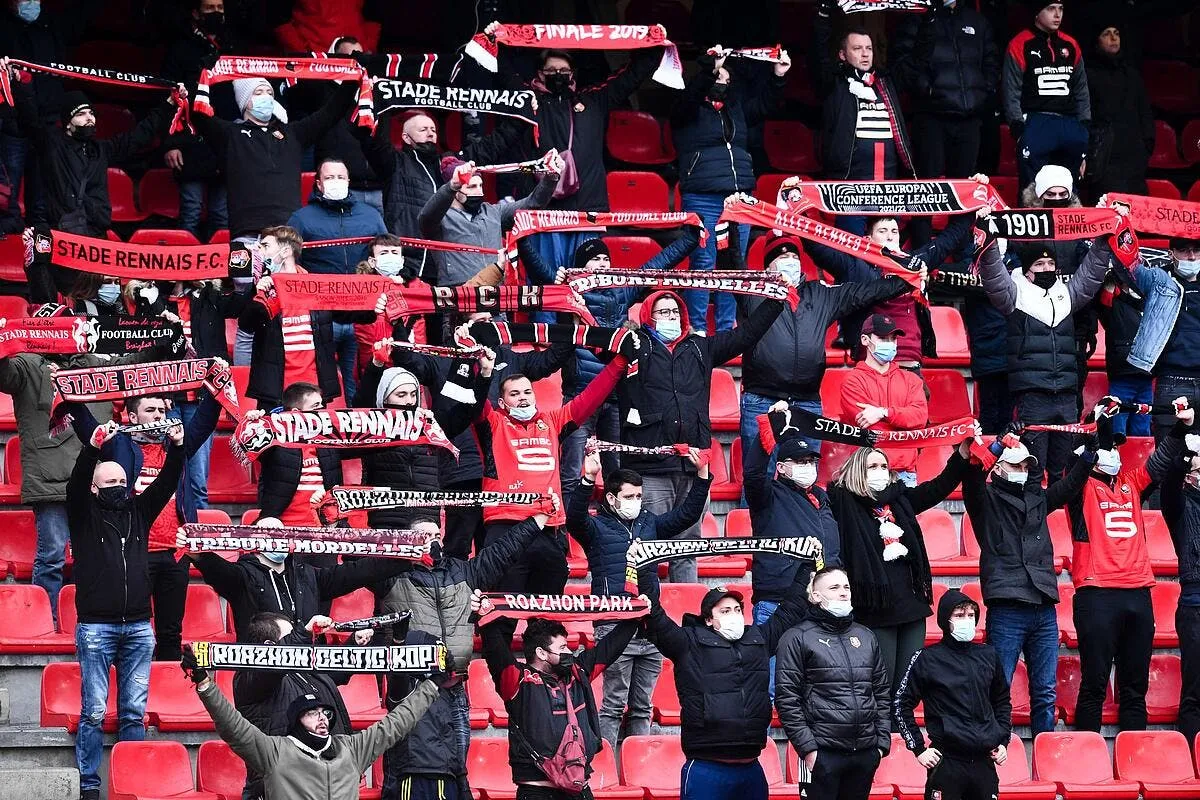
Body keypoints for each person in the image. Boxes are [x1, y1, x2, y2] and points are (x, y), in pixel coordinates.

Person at [379, 507, 559, 779]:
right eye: (425, 536)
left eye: (437, 534)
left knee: (457, 771)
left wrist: (538, 521)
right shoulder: (390, 576)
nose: (434, 540)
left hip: (455, 689)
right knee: (408, 770)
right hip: (412, 690)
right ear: (407, 541)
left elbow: (503, 551)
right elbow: (354, 564)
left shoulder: (463, 571)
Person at [620, 288, 785, 583]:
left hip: (693, 465)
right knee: (645, 548)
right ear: (648, 316)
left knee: (687, 546)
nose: (671, 317)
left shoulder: (700, 346)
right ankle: (648, 616)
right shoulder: (631, 345)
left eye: (675, 312)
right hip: (650, 469)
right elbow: (590, 339)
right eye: (663, 312)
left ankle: (685, 614)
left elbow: (745, 335)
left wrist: (776, 301)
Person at [532, 225, 703, 497]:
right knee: (570, 472)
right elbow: (536, 268)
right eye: (595, 259)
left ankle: (616, 528)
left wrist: (692, 238)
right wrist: (520, 235)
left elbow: (658, 264)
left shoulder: (623, 290)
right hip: (581, 397)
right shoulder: (567, 292)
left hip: (616, 396)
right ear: (580, 268)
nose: (602, 264)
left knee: (619, 474)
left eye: (605, 259)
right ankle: (562, 532)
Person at [486, 20, 666, 271]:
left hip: (587, 211)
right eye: (551, 70)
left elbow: (631, 77)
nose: (558, 75)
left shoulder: (594, 100)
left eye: (564, 70)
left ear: (573, 74)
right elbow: (501, 70)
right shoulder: (526, 99)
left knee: (589, 289)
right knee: (546, 292)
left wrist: (653, 43)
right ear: (539, 74)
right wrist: (494, 40)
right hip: (542, 213)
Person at [69, 418, 185, 800]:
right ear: (95, 487)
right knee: (94, 712)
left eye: (123, 482)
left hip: (138, 626)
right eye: (110, 483)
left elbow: (168, 482)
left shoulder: (139, 511)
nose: (119, 488)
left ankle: (132, 780)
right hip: (96, 628)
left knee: (133, 712)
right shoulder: (83, 515)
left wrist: (177, 447)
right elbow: (74, 486)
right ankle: (89, 785)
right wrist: (93, 448)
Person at [386, 325, 573, 559]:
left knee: (495, 555)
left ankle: (486, 596)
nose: (488, 326)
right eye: (479, 321)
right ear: (462, 324)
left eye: (491, 319)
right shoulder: (444, 357)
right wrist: (402, 322)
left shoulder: (509, 359)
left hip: (502, 480)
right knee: (457, 547)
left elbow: (552, 358)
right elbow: (407, 360)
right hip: (460, 469)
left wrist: (569, 319)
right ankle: (455, 595)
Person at [65, 388, 223, 661]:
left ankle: (168, 695)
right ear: (132, 415)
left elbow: (206, 419)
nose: (158, 416)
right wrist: (66, 390)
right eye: (150, 411)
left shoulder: (177, 445)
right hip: (135, 554)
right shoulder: (120, 446)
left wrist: (217, 384)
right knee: (129, 632)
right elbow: (87, 426)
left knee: (170, 633)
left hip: (175, 553)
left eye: (162, 411)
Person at [566, 448, 710, 747]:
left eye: (639, 496)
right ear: (611, 498)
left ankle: (639, 760)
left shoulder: (649, 523)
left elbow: (686, 515)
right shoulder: (596, 527)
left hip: (651, 628)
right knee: (613, 705)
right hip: (615, 624)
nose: (636, 502)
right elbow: (574, 518)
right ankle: (605, 768)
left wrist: (702, 476)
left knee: (642, 707)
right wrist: (588, 479)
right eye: (629, 496)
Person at [733, 221, 910, 460]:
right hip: (761, 400)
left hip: (807, 403)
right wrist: (733, 223)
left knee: (805, 477)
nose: (790, 260)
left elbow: (867, 292)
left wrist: (909, 276)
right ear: (768, 266)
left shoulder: (821, 293)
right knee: (759, 481)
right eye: (781, 256)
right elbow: (730, 264)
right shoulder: (753, 290)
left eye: (795, 255)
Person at [1068, 400, 1192, 732]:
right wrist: (1098, 424)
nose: (1115, 453)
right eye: (1108, 448)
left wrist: (1181, 428)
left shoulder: (1132, 483)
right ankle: (1087, 763)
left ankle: (1134, 761)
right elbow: (1074, 463)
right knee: (1094, 685)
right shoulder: (1080, 487)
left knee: (1135, 689)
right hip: (1097, 593)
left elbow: (1161, 462)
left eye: (1117, 448)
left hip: (1138, 593)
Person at [183, 645, 444, 800]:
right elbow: (233, 726)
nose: (322, 718)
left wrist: (432, 685)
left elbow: (396, 724)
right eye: (312, 713)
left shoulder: (350, 748)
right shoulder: (275, 752)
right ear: (296, 721)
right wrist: (205, 684)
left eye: (325, 712)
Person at [961, 431, 1092, 737]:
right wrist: (995, 447)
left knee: (1045, 691)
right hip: (1007, 606)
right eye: (1016, 466)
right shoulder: (986, 500)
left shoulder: (1037, 500)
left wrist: (1089, 455)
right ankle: (996, 751)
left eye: (1025, 467)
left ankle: (1043, 759)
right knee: (999, 686)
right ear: (998, 468)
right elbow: (972, 478)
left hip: (1043, 605)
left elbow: (1070, 485)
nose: (1022, 472)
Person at [642, 577, 812, 800]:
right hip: (706, 767)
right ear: (709, 619)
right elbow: (656, 619)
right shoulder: (687, 643)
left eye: (737, 609)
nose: (733, 615)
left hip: (751, 765)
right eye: (725, 611)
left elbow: (790, 610)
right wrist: (643, 571)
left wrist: (807, 565)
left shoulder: (759, 638)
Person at [977, 209, 1112, 482]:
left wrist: (1104, 239)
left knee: (1062, 469)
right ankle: (1035, 523)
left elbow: (1091, 275)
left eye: (1050, 266)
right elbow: (992, 273)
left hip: (1066, 396)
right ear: (1027, 271)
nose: (1046, 270)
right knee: (1033, 468)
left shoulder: (1067, 293)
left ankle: (1059, 523)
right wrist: (988, 235)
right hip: (1032, 397)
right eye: (1039, 265)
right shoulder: (1013, 294)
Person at [476, 354, 628, 593]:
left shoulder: (553, 421)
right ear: (502, 402)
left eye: (527, 392)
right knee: (501, 616)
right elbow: (475, 404)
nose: (522, 398)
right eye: (514, 394)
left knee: (547, 618)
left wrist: (619, 363)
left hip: (549, 528)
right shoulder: (493, 423)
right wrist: (483, 374)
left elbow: (590, 398)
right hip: (505, 527)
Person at [828, 440, 971, 692]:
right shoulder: (841, 501)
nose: (880, 471)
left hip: (912, 607)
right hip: (875, 609)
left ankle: (900, 732)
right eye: (872, 466)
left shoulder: (900, 498)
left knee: (906, 687)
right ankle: (883, 732)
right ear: (857, 470)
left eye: (884, 465)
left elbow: (938, 487)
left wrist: (960, 456)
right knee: (881, 685)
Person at [670, 44, 790, 333]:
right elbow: (686, 101)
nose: (722, 82)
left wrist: (778, 76)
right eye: (717, 78)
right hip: (703, 196)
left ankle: (728, 329)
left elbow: (766, 104)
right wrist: (709, 71)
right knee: (704, 263)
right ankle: (696, 329)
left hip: (739, 199)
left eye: (725, 78)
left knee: (734, 267)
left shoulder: (736, 109)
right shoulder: (687, 108)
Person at [3, 57, 179, 242]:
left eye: (91, 113)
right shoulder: (52, 144)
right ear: (68, 124)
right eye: (81, 114)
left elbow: (140, 135)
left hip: (97, 237)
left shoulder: (101, 149)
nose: (89, 118)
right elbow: (29, 119)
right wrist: (21, 84)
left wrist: (168, 104)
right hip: (63, 236)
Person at [481, 602, 643, 800]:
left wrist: (637, 615)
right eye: (563, 647)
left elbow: (611, 647)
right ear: (541, 653)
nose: (569, 653)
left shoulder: (578, 672)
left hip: (579, 789)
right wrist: (485, 616)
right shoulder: (517, 679)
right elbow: (495, 648)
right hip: (537, 792)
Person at [191, 74, 358, 245]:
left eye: (269, 93)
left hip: (288, 234)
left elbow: (331, 112)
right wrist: (201, 73)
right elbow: (197, 113)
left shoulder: (293, 133)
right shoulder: (230, 135)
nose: (265, 97)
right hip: (247, 235)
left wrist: (353, 78)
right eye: (258, 93)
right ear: (245, 101)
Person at [360, 111, 519, 282]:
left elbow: (490, 147)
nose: (430, 133)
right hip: (408, 263)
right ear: (406, 137)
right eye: (423, 130)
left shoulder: (449, 166)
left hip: (445, 265)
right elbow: (373, 142)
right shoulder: (394, 162)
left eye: (433, 130)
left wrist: (522, 117)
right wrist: (381, 106)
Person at [775, 567, 891, 800]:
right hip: (822, 753)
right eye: (834, 587)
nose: (843, 593)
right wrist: (809, 750)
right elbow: (787, 699)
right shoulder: (797, 637)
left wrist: (880, 745)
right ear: (816, 596)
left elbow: (881, 692)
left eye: (846, 587)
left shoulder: (866, 636)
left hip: (865, 753)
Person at [808, 211, 970, 370]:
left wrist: (973, 199)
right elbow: (818, 248)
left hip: (910, 362)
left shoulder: (914, 263)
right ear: (867, 240)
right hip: (870, 364)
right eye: (882, 231)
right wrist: (795, 203)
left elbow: (949, 239)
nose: (890, 236)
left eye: (894, 231)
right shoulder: (855, 266)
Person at [238, 226, 375, 409]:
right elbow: (246, 324)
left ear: (285, 251)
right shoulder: (262, 287)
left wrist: (376, 303)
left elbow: (354, 314)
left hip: (315, 391)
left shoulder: (316, 285)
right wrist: (258, 293)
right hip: (274, 392)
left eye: (265, 246)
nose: (259, 251)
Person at [893, 589, 1012, 800]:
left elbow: (1002, 701)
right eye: (959, 615)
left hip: (984, 762)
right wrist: (918, 748)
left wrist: (1002, 741)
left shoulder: (989, 654)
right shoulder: (926, 658)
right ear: (945, 620)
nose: (966, 620)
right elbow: (901, 703)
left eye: (970, 615)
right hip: (947, 761)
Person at [286, 157, 388, 402]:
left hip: (362, 315)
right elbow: (288, 263)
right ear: (318, 184)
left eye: (341, 177)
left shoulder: (370, 215)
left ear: (349, 181)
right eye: (329, 178)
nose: (336, 182)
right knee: (321, 384)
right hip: (320, 316)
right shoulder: (301, 218)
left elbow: (385, 253)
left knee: (361, 381)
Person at [744, 429, 840, 682]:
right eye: (800, 462)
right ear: (782, 467)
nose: (808, 467)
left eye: (811, 462)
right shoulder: (768, 495)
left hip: (821, 604)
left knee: (816, 689)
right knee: (775, 685)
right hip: (778, 601)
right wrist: (768, 431)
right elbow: (753, 473)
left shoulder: (822, 497)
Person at [0, 0, 104, 232]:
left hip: (47, 119)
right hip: (12, 120)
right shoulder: (4, 28)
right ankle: (8, 232)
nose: (30, 3)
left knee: (44, 187)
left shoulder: (52, 25)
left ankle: (40, 232)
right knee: (8, 186)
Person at [233, 611, 352, 800]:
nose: (299, 644)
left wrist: (355, 642)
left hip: (323, 780)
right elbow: (270, 670)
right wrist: (303, 633)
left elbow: (338, 672)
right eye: (291, 637)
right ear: (270, 647)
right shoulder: (251, 676)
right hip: (281, 785)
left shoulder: (306, 669)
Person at [890, 0, 1000, 206]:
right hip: (932, 118)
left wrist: (982, 92)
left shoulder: (977, 21)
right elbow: (903, 66)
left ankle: (961, 239)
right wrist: (927, 90)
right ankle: (923, 240)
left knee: (965, 193)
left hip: (969, 118)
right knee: (925, 191)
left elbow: (992, 62)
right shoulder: (916, 19)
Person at [812, 4, 914, 197]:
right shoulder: (835, 84)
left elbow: (918, 61)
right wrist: (823, 14)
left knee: (888, 229)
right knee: (849, 229)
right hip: (849, 185)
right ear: (842, 55)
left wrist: (927, 20)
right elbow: (820, 55)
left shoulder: (886, 83)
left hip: (889, 182)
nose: (865, 53)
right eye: (857, 48)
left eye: (868, 48)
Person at [419, 156, 560, 289]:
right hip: (461, 298)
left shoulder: (493, 212)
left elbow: (532, 204)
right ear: (455, 191)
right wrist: (452, 185)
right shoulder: (441, 218)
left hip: (495, 296)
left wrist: (551, 177)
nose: (479, 192)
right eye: (471, 187)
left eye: (481, 186)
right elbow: (426, 217)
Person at [160, 0, 237, 238]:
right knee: (191, 212)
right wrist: (171, 143)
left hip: (223, 140)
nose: (216, 13)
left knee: (221, 215)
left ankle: (217, 273)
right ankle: (185, 273)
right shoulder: (180, 48)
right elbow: (167, 99)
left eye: (220, 8)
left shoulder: (230, 47)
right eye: (209, 8)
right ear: (196, 13)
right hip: (190, 140)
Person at [1002, 2, 1091, 188]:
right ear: (1037, 13)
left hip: (1069, 124)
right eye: (1051, 9)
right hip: (1035, 122)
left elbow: (1082, 90)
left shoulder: (1071, 44)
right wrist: (1018, 129)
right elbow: (1011, 91)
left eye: (1061, 9)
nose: (1057, 14)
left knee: (1069, 189)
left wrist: (1084, 126)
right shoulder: (1020, 44)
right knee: (1033, 191)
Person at [838, 314, 931, 487]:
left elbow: (919, 418)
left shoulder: (911, 380)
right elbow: (868, 426)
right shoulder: (852, 380)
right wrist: (902, 421)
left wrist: (883, 413)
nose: (889, 343)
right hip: (866, 472)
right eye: (882, 338)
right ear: (865, 340)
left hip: (905, 473)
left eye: (893, 338)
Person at [1084, 20, 1153, 199]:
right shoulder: (1088, 74)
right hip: (1104, 159)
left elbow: (1144, 113)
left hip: (1133, 158)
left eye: (1117, 33)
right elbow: (1084, 116)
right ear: (1096, 40)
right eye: (1106, 33)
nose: (1114, 38)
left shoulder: (1131, 74)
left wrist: (1146, 146)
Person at [1160, 431, 1200, 744]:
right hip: (1195, 606)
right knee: (1195, 691)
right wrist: (1185, 456)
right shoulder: (1180, 509)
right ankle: (1189, 758)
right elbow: (1169, 486)